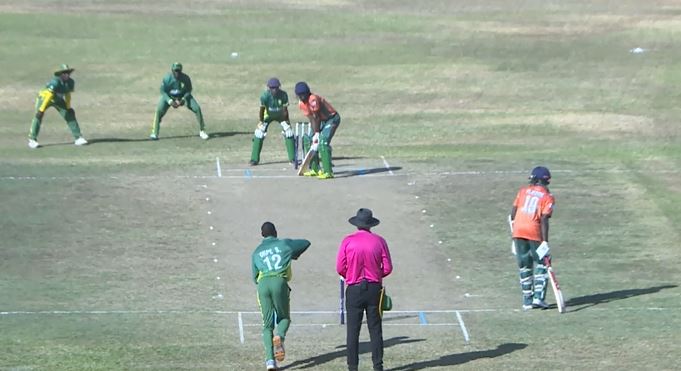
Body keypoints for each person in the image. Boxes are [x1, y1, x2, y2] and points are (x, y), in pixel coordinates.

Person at [336, 208, 393, 371]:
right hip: (374, 288)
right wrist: (376, 274)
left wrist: (350, 274)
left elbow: (340, 267)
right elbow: (388, 267)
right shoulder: (379, 241)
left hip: (354, 288)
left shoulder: (348, 241)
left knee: (353, 331)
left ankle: (353, 367)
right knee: (375, 329)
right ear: (371, 224)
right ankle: (378, 366)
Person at [251, 222, 311, 371]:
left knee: (267, 325)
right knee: (284, 318)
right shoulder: (284, 244)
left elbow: (254, 277)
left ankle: (270, 361)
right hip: (279, 281)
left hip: (263, 284)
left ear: (262, 235)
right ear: (275, 232)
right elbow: (306, 243)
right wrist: (293, 253)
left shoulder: (256, 252)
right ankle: (280, 337)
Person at [509, 166, 555, 310]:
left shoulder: (522, 192)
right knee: (542, 263)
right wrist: (545, 241)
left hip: (518, 231)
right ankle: (539, 298)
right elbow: (544, 219)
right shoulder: (548, 197)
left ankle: (527, 300)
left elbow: (512, 215)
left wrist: (513, 235)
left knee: (524, 264)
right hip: (534, 231)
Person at [28, 64, 88, 148]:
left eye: (67, 73)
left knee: (69, 115)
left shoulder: (70, 82)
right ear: (60, 74)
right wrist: (41, 110)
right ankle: (32, 139)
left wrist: (68, 107)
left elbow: (67, 95)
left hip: (58, 100)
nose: (66, 74)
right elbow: (49, 95)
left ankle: (78, 138)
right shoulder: (55, 82)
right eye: (64, 73)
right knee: (38, 117)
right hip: (45, 99)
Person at [294, 81, 341, 179]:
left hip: (332, 119)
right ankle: (314, 169)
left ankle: (328, 172)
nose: (302, 97)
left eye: (304, 94)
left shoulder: (313, 99)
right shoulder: (301, 104)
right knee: (308, 140)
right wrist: (314, 134)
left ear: (308, 92)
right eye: (300, 95)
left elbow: (317, 117)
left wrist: (317, 133)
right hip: (321, 121)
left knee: (322, 141)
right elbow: (311, 118)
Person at [149, 62, 208, 140]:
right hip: (170, 96)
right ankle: (154, 133)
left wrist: (183, 99)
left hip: (183, 96)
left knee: (197, 108)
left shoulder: (186, 78)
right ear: (172, 70)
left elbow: (189, 90)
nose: (177, 73)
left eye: (178, 71)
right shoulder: (167, 78)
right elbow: (162, 91)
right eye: (175, 71)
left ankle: (202, 130)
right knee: (158, 110)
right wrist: (169, 101)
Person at [249, 78, 295, 166]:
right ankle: (254, 159)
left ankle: (292, 158)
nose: (274, 90)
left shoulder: (283, 95)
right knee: (259, 133)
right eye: (272, 88)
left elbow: (285, 110)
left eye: (276, 88)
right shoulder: (265, 96)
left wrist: (287, 122)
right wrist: (261, 121)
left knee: (289, 132)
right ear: (268, 88)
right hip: (268, 116)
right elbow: (262, 109)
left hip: (280, 115)